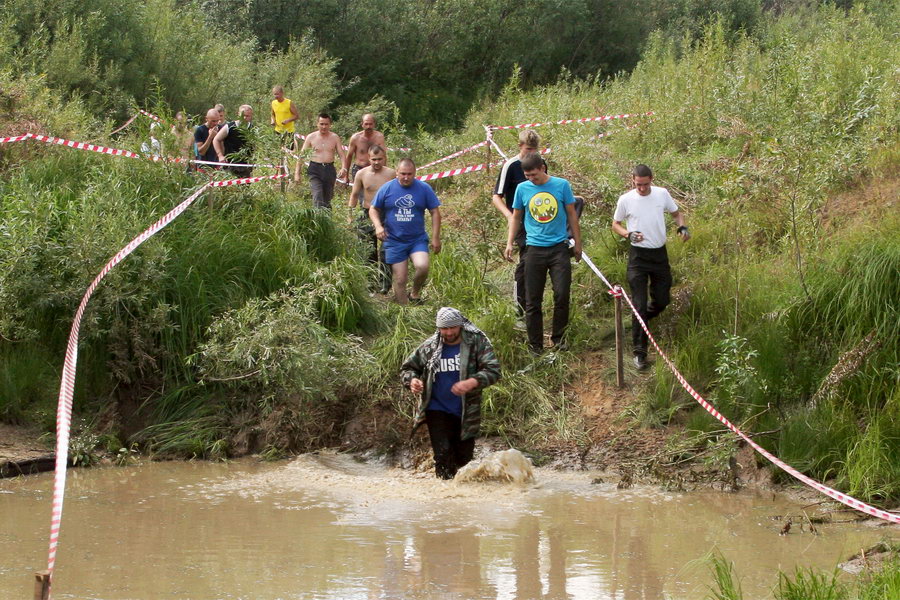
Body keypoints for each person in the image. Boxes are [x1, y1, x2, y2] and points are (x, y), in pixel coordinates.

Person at [400, 307, 501, 480]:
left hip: (466, 411)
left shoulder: (475, 342)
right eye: (444, 329)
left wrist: (472, 381)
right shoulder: (431, 346)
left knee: (464, 461)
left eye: (452, 328)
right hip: (436, 407)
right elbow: (408, 368)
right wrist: (412, 381)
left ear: (460, 326)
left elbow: (493, 370)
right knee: (443, 455)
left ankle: (461, 501)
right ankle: (444, 499)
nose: (448, 332)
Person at [612, 164, 689, 370]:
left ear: (652, 180)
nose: (643, 188)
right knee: (638, 303)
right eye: (639, 185)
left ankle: (641, 322)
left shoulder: (662, 194)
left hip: (659, 255)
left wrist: (682, 227)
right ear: (633, 181)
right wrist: (628, 234)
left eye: (646, 184)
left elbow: (676, 214)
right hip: (638, 258)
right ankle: (640, 353)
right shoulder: (626, 199)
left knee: (663, 300)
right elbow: (616, 224)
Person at [504, 153, 582, 355]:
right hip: (533, 249)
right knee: (532, 300)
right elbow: (516, 217)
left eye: (534, 175)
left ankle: (559, 338)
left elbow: (572, 214)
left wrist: (578, 243)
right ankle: (535, 344)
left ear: (542, 168)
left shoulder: (561, 185)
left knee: (562, 294)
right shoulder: (522, 189)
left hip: (559, 248)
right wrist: (509, 242)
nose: (531, 179)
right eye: (527, 175)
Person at [369, 158, 441, 305]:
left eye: (409, 174)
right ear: (396, 173)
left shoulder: (424, 188)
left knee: (422, 266)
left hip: (417, 239)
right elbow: (373, 209)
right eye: (403, 174)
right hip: (394, 240)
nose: (406, 177)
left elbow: (435, 212)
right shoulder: (387, 188)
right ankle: (405, 309)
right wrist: (378, 226)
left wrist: (435, 238)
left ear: (415, 173)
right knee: (400, 279)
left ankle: (414, 293)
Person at [492, 129, 541, 317]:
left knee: (534, 263)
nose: (531, 153)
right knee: (526, 262)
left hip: (538, 220)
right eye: (528, 149)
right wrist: (509, 215)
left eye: (534, 150)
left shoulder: (539, 164)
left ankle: (532, 304)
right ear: (520, 146)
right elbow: (497, 196)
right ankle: (520, 308)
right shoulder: (511, 166)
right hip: (519, 221)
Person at [349, 145, 395, 293]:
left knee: (386, 250)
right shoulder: (361, 174)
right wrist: (350, 215)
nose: (376, 162)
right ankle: (370, 282)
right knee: (368, 250)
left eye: (379, 159)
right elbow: (354, 195)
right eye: (373, 159)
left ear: (385, 158)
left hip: (386, 214)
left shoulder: (391, 174)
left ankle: (385, 284)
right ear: (369, 158)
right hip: (366, 213)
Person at [297, 113, 347, 209]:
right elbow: (302, 155)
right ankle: (318, 219)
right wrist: (297, 173)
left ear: (330, 125)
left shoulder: (335, 137)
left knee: (328, 198)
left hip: (329, 169)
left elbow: (341, 154)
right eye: (321, 124)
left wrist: (344, 168)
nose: (324, 127)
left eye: (326, 124)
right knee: (317, 195)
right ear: (317, 124)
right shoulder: (311, 137)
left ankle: (327, 221)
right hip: (315, 169)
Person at [342, 113, 386, 194]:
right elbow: (349, 157)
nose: (368, 126)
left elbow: (383, 155)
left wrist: (384, 172)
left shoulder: (379, 137)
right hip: (359, 169)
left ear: (374, 124)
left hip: (375, 169)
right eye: (366, 124)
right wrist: (346, 175)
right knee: (362, 196)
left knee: (374, 194)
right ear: (362, 124)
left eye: (370, 124)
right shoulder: (355, 138)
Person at [213, 104, 255, 177]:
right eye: (243, 115)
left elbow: (255, 145)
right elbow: (216, 140)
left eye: (247, 116)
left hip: (246, 166)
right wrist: (220, 155)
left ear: (251, 116)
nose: (244, 118)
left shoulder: (253, 129)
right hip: (230, 165)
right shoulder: (229, 127)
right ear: (238, 114)